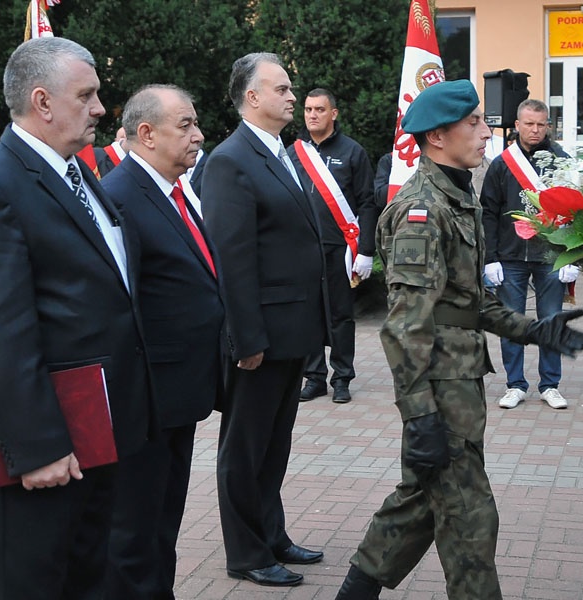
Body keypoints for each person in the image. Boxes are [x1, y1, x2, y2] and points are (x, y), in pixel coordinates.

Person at [333, 80, 583, 600]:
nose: (485, 130)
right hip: (437, 387)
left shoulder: (458, 197)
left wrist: (533, 330)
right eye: (473, 122)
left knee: (421, 501)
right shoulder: (422, 211)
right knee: (471, 518)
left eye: (482, 120)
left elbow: (467, 301)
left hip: (459, 379)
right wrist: (420, 414)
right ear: (437, 137)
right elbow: (405, 325)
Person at [0, 37, 154, 600]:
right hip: (51, 441)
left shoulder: (74, 172)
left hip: (100, 427)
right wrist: (37, 447)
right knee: (37, 580)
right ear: (43, 102)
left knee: (87, 575)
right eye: (88, 95)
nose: (101, 108)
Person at [201, 52, 330, 588]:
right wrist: (246, 337)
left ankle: (271, 534)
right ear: (251, 97)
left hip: (290, 329)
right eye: (280, 89)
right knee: (246, 447)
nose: (292, 97)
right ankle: (246, 551)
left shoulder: (277, 151)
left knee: (274, 445)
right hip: (260, 335)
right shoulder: (231, 160)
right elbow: (233, 257)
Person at [100, 84, 224, 599]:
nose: (198, 135)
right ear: (146, 134)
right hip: (145, 400)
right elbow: (120, 307)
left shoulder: (174, 189)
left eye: (195, 124)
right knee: (135, 531)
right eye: (186, 126)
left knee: (163, 523)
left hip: (176, 395)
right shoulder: (123, 196)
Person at [481, 98, 577, 410]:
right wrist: (490, 258)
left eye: (540, 124)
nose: (535, 130)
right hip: (509, 257)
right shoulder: (502, 163)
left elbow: (574, 210)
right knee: (512, 322)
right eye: (529, 124)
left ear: (548, 125)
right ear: (518, 125)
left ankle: (550, 384)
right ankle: (515, 384)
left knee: (552, 320)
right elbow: (489, 212)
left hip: (550, 257)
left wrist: (571, 256)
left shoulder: (561, 160)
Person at [290, 88, 377, 403]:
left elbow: (367, 203)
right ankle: (314, 377)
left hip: (340, 249)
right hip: (303, 249)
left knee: (341, 314)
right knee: (308, 314)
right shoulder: (292, 153)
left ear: (334, 113)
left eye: (320, 109)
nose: (312, 115)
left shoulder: (352, 152)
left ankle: (342, 378)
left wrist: (366, 250)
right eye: (308, 109)